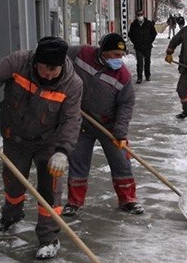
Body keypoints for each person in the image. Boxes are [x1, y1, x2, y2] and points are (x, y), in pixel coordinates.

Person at [0, 37, 83, 260]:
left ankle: (48, 238)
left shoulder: (72, 83)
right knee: (13, 181)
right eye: (44, 70)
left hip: (49, 142)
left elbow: (72, 120)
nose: (48, 76)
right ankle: (11, 215)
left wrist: (62, 151)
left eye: (53, 71)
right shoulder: (18, 62)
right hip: (15, 136)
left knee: (49, 189)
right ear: (36, 61)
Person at [61, 33, 144, 217]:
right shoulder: (81, 53)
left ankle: (128, 200)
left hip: (109, 126)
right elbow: (59, 57)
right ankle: (74, 202)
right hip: (81, 121)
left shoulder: (123, 76)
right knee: (78, 161)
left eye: (121, 56)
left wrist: (120, 134)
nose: (119, 60)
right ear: (103, 51)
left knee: (121, 161)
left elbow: (126, 105)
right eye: (115, 55)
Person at [128, 9, 157, 84]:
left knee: (147, 62)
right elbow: (130, 34)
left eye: (141, 14)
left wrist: (150, 41)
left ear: (143, 15)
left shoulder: (149, 24)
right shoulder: (133, 25)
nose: (140, 16)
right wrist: (135, 42)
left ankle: (147, 75)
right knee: (139, 62)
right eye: (138, 15)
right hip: (138, 47)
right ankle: (139, 77)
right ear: (136, 15)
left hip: (147, 46)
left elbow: (154, 33)